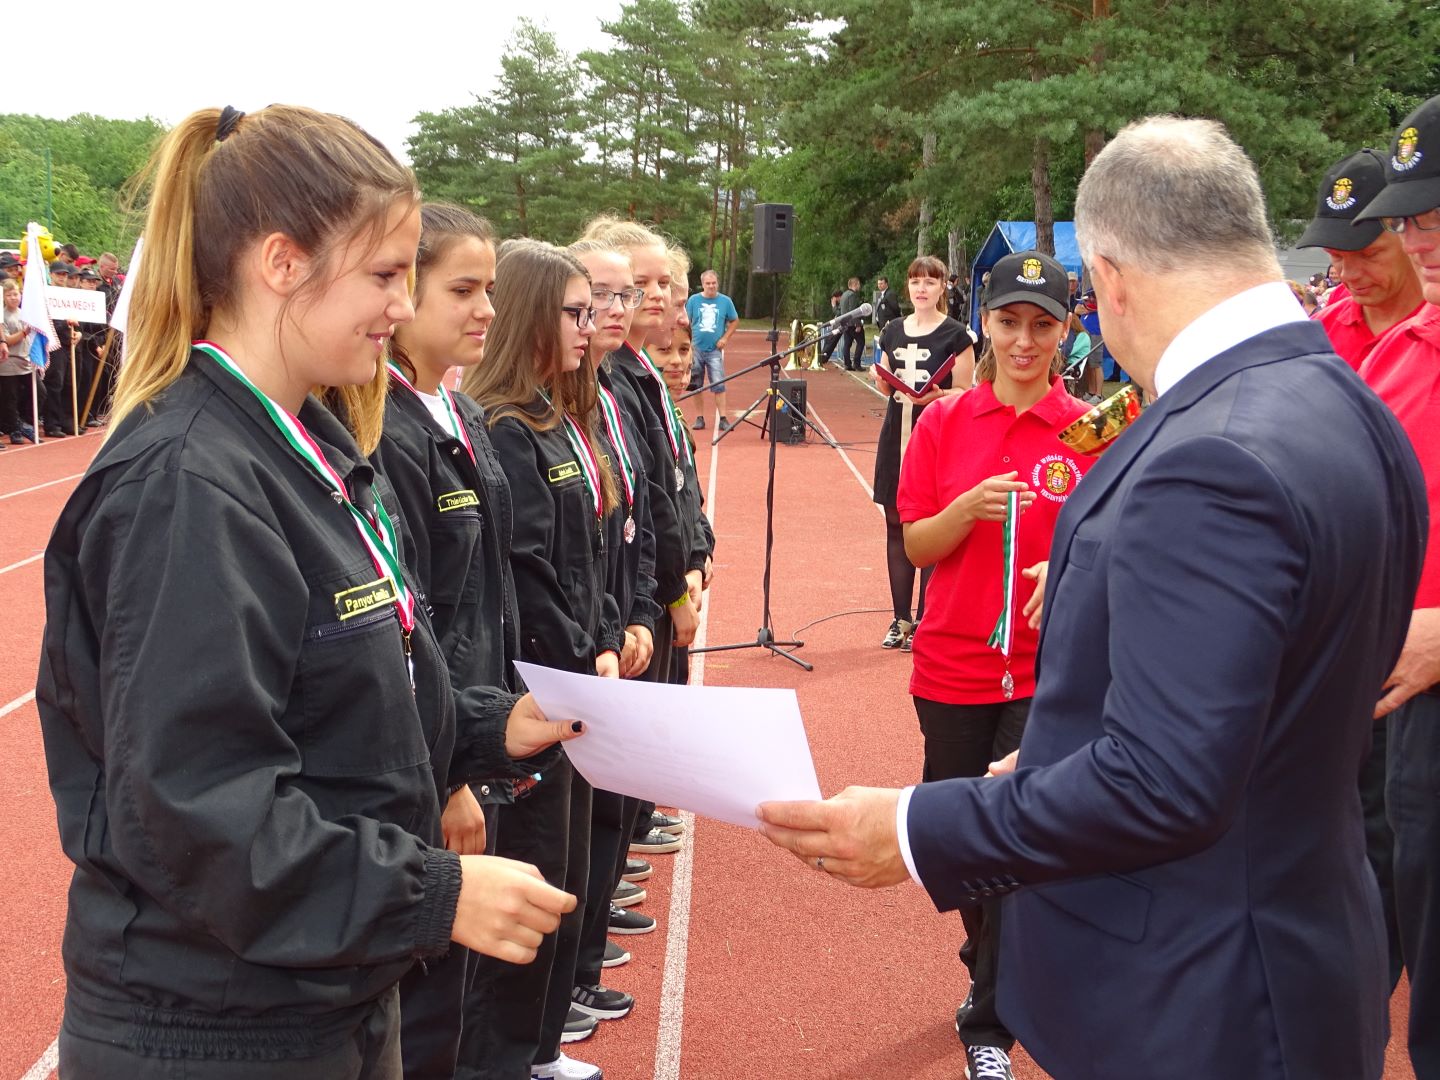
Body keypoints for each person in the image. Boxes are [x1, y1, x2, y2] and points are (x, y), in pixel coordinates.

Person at [758, 116, 1426, 1080]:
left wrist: (911, 828)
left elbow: (1164, 783)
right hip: (1294, 950)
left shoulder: (1212, 453)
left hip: (1200, 995)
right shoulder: (1349, 399)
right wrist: (1059, 754)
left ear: (1107, 277)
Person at [34, 104, 578, 1080]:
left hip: (322, 992)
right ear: (281, 263)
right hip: (216, 1030)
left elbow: (343, 700)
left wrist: (494, 726)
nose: (401, 307)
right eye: (383, 275)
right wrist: (433, 895)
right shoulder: (186, 486)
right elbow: (199, 810)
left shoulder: (314, 447)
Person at [370, 202, 578, 1077]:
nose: (486, 309)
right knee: (432, 1001)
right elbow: (415, 619)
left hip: (477, 723)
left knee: (470, 982)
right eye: (463, 289)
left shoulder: (454, 411)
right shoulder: (385, 431)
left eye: (491, 289)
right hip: (438, 755)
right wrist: (452, 775)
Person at [893, 249, 1087, 1078]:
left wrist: (1070, 566)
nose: (1025, 341)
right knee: (962, 848)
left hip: (1048, 673)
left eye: (1043, 324)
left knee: (1023, 839)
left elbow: (1120, 539)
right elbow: (916, 545)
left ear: (1065, 330)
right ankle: (989, 964)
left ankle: (991, 1021)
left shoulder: (1092, 428)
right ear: (985, 323)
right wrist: (965, 511)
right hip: (952, 666)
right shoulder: (943, 423)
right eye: (1009, 322)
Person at [461, 239, 621, 1080]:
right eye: (574, 313)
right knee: (531, 873)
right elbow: (527, 569)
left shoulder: (555, 419)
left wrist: (607, 632)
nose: (589, 328)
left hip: (574, 682)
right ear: (532, 315)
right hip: (538, 691)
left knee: (564, 870)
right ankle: (508, 1056)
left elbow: (587, 553)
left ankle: (540, 1048)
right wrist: (579, 657)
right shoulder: (504, 428)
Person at [1351, 92, 1440, 1080]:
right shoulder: (1401, 359)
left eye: (1436, 216)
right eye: (1410, 219)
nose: (1420, 241)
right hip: (1413, 719)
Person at [869, 255, 977, 652]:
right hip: (895, 436)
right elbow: (886, 384)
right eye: (916, 281)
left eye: (930, 282)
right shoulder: (893, 330)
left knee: (929, 526)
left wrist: (937, 395)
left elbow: (965, 391)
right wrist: (880, 379)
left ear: (942, 287)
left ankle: (926, 619)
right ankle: (900, 618)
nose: (921, 288)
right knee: (895, 525)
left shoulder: (957, 335)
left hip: (936, 438)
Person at [1298, 149, 1425, 371]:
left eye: (1368, 254)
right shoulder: (1318, 336)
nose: (1348, 274)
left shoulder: (1431, 333)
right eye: (1336, 255)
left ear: (1411, 235)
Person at [684, 269, 738, 431]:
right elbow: (686, 321)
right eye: (708, 283)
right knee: (696, 384)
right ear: (702, 284)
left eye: (714, 283)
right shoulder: (693, 300)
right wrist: (687, 343)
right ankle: (699, 418)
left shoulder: (725, 301)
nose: (711, 286)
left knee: (719, 383)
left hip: (714, 350)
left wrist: (725, 338)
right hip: (696, 348)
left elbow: (735, 321)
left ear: (717, 283)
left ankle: (723, 418)